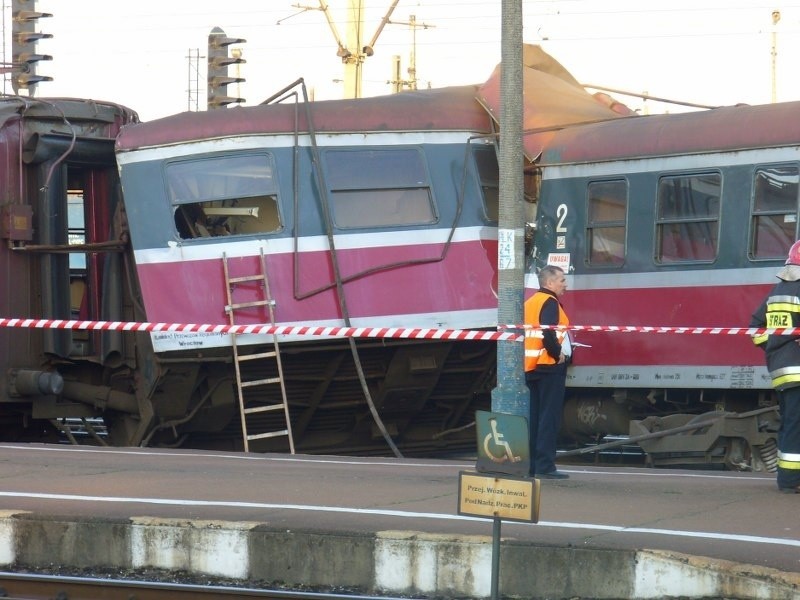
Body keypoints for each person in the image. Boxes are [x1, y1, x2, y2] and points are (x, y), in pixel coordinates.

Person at [751, 240, 800, 494]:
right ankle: (791, 481)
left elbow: (754, 329)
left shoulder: (777, 291)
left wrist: (774, 347)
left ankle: (788, 477)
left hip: (781, 370)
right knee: (796, 424)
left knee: (790, 423)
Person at [524, 264, 571, 479]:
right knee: (549, 419)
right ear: (549, 283)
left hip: (531, 367)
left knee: (534, 419)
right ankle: (545, 467)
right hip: (549, 366)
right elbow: (548, 332)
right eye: (562, 280)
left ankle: (533, 466)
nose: (565, 284)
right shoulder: (550, 302)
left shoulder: (531, 302)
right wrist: (557, 354)